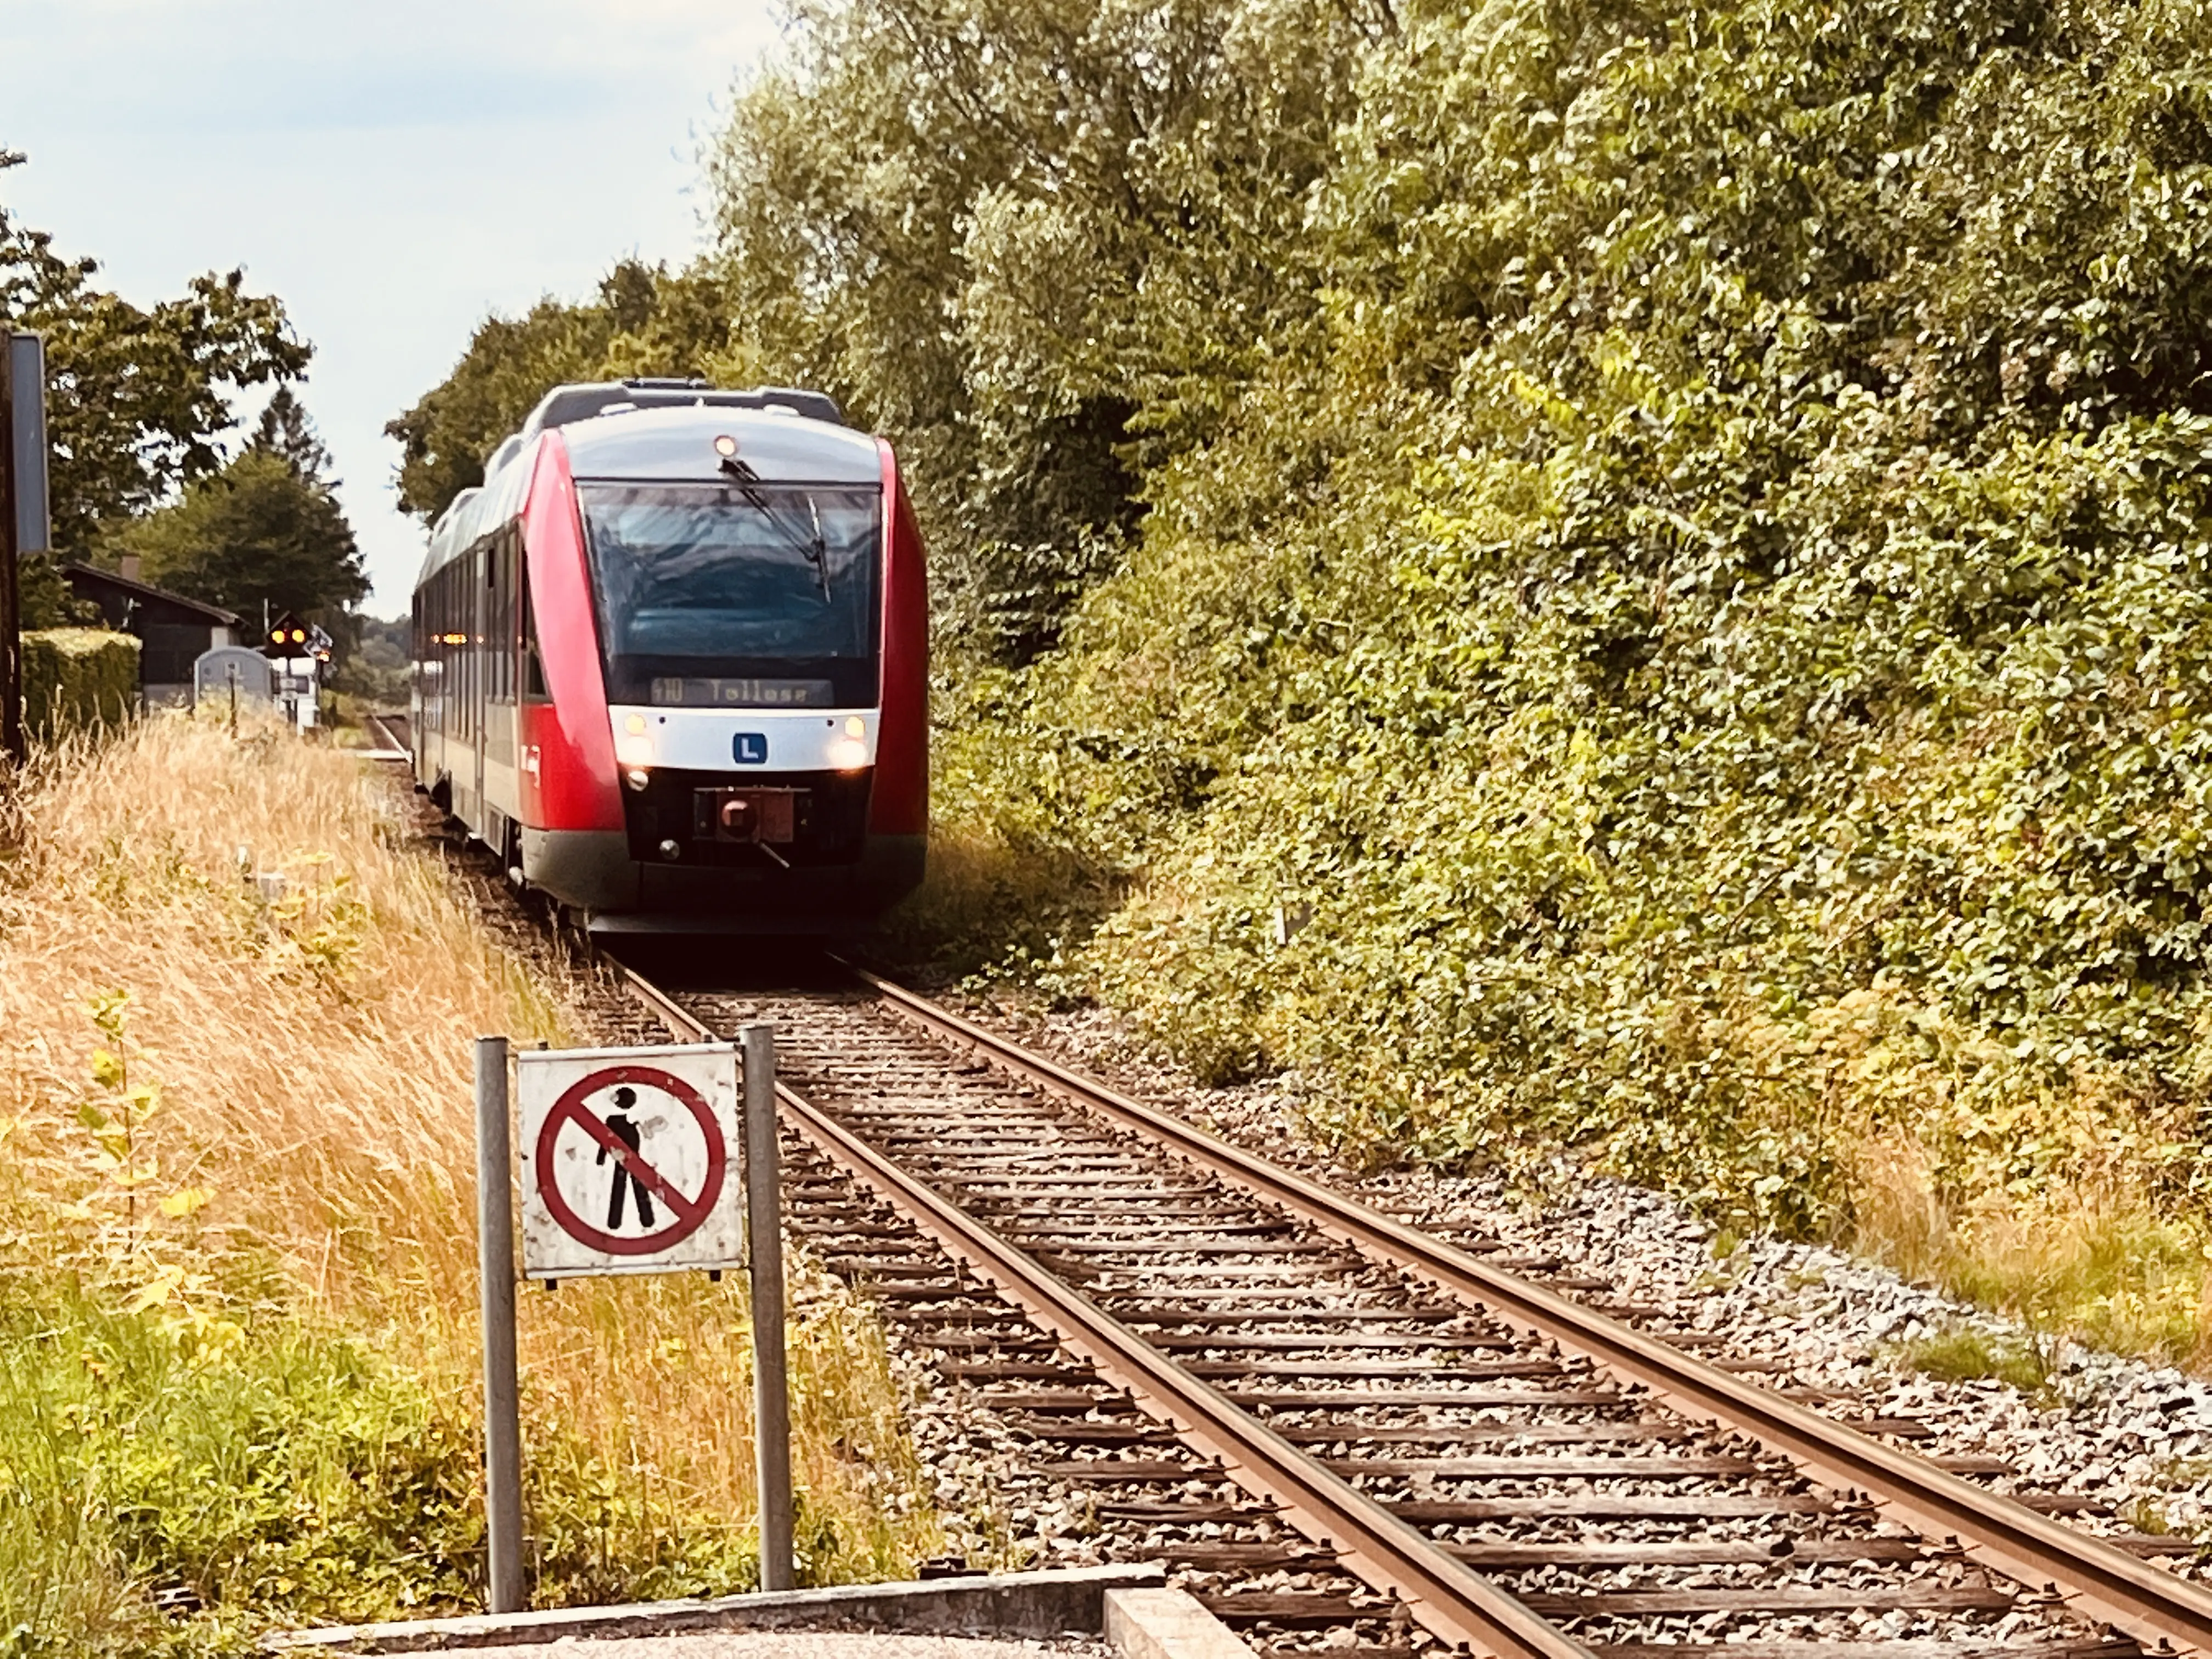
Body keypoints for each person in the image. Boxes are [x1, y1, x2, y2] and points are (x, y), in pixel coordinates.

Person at [597, 1087, 657, 1229]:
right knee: (635, 1186)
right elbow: (606, 1139)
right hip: (630, 1157)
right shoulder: (628, 1119)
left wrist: (601, 1157)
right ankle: (645, 1219)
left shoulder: (616, 1120)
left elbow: (605, 1139)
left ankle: (616, 1221)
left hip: (626, 1157)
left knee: (621, 1187)